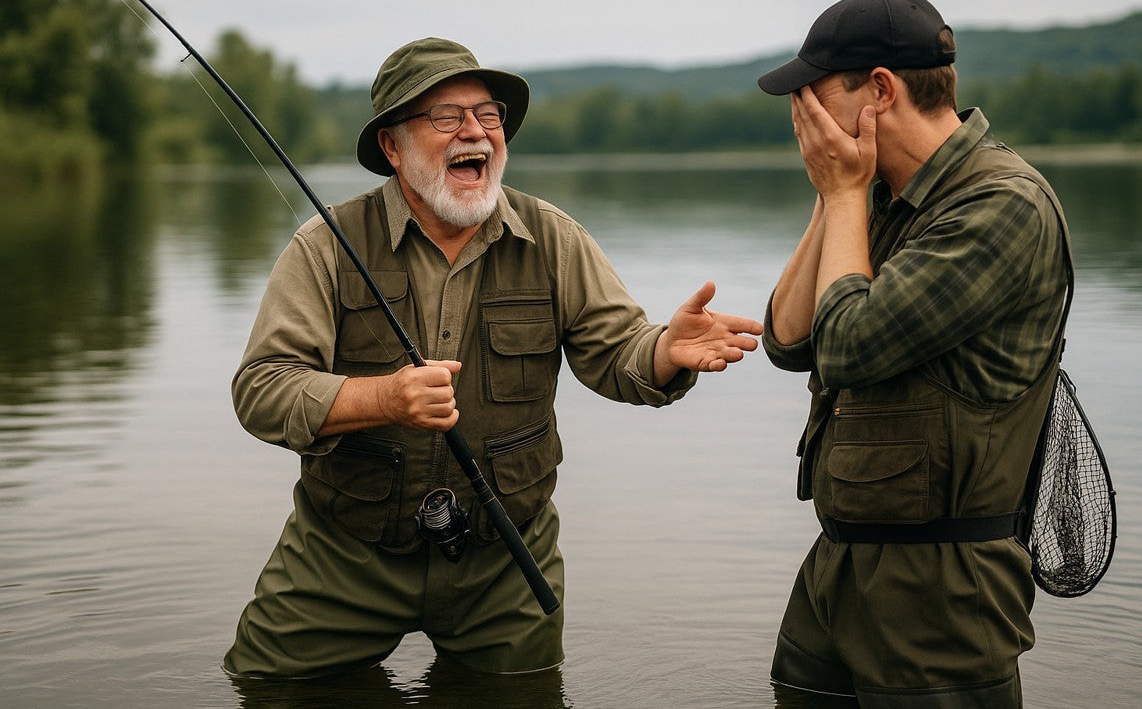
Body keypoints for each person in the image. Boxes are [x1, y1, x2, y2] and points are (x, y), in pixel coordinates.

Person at [222, 37, 763, 679]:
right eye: (446, 117)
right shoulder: (325, 246)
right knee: (262, 688)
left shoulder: (554, 238)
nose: (475, 132)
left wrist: (665, 351)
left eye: (488, 115)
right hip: (343, 552)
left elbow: (620, 354)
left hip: (507, 560)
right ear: (392, 147)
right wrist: (384, 399)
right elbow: (261, 389)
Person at [757, 0, 1072, 707]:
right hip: (836, 571)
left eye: (813, 95)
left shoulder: (1001, 204)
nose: (801, 115)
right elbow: (788, 338)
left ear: (879, 90)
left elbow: (849, 345)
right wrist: (834, 192)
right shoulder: (883, 194)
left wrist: (843, 195)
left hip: (942, 593)